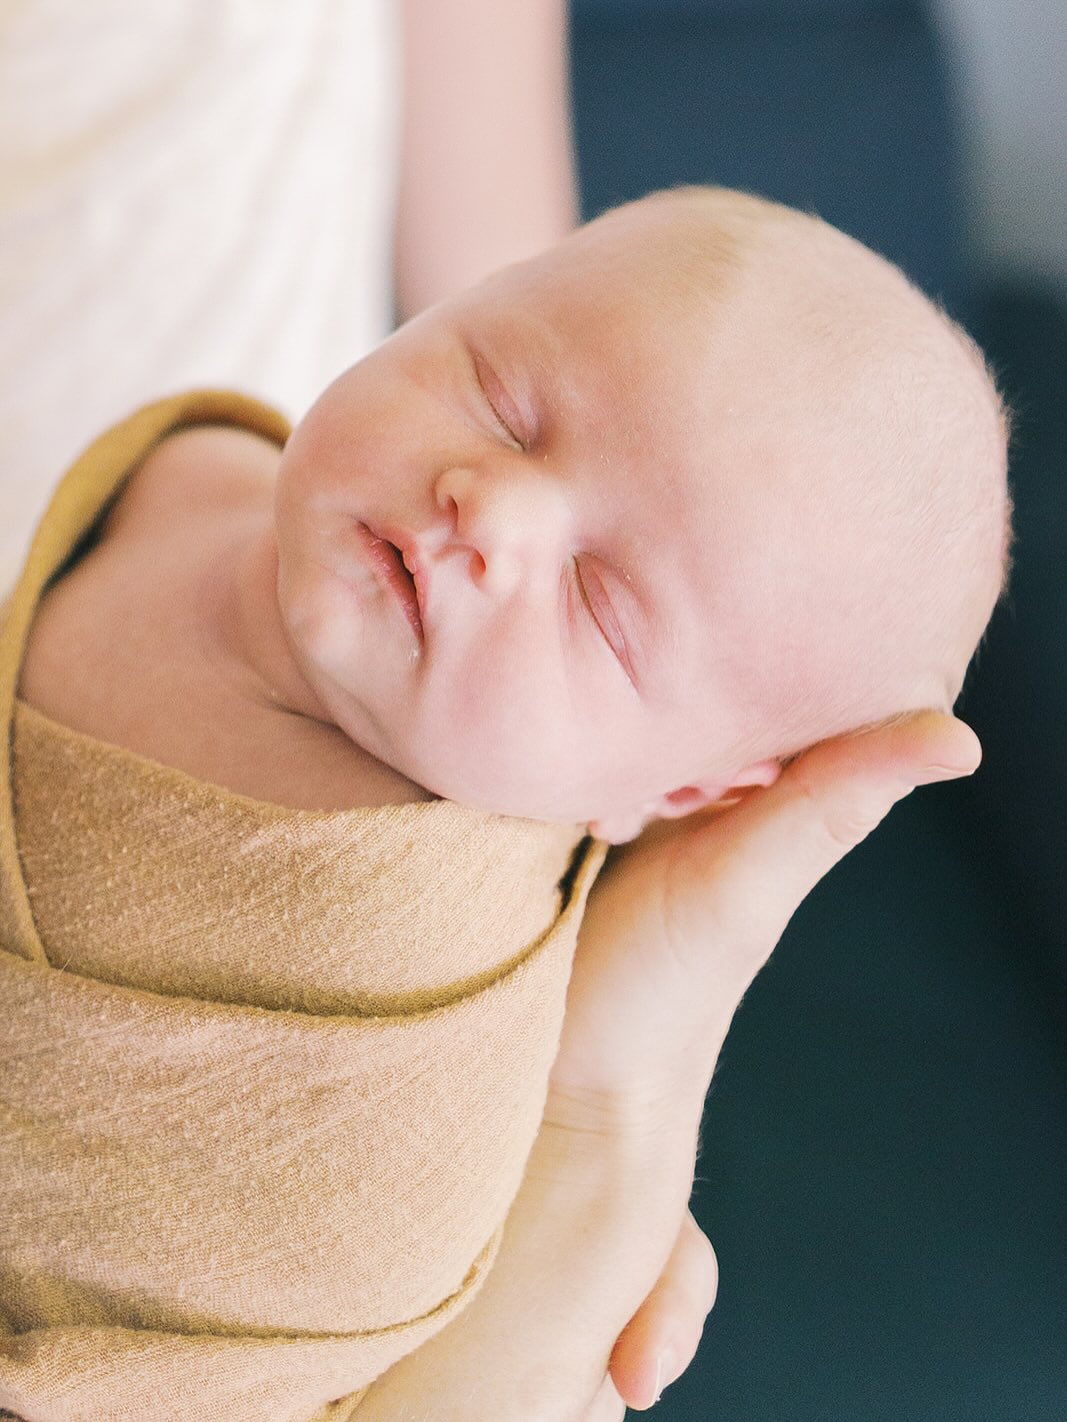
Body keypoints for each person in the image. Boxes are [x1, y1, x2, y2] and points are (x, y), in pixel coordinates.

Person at [0, 186, 1007, 1419]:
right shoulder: (198, 463)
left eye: (600, 606)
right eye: (502, 398)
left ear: (681, 790)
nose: (491, 507)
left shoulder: (388, 1014)